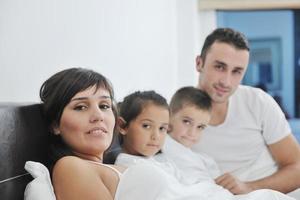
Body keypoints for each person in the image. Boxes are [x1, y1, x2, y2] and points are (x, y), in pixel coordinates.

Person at [114, 89, 295, 200]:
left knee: (269, 196)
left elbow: (188, 185)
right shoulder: (126, 167)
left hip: (216, 194)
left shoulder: (161, 160)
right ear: (122, 126)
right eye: (146, 126)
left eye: (162, 128)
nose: (156, 136)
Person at [192, 27, 300, 195]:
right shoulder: (175, 117)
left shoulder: (258, 102)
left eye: (236, 71)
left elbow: (297, 167)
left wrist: (249, 187)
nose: (226, 82)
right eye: (220, 67)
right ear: (199, 63)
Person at [163, 86, 221, 184]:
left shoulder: (204, 159)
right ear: (168, 116)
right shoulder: (160, 145)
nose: (192, 133)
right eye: (187, 122)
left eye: (200, 127)